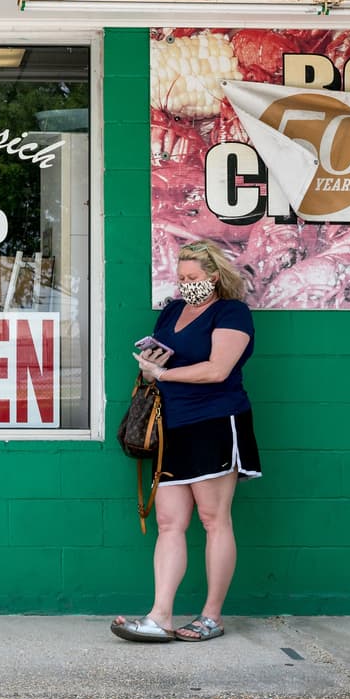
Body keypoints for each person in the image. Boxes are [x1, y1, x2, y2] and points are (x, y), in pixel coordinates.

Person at [111, 240, 261, 644]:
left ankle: (211, 616)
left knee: (214, 520)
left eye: (193, 278)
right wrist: (149, 368)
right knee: (169, 522)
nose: (185, 284)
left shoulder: (232, 313)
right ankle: (160, 615)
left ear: (214, 275)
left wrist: (165, 376)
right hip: (171, 425)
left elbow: (217, 370)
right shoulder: (173, 311)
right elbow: (160, 369)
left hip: (214, 422)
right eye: (180, 278)